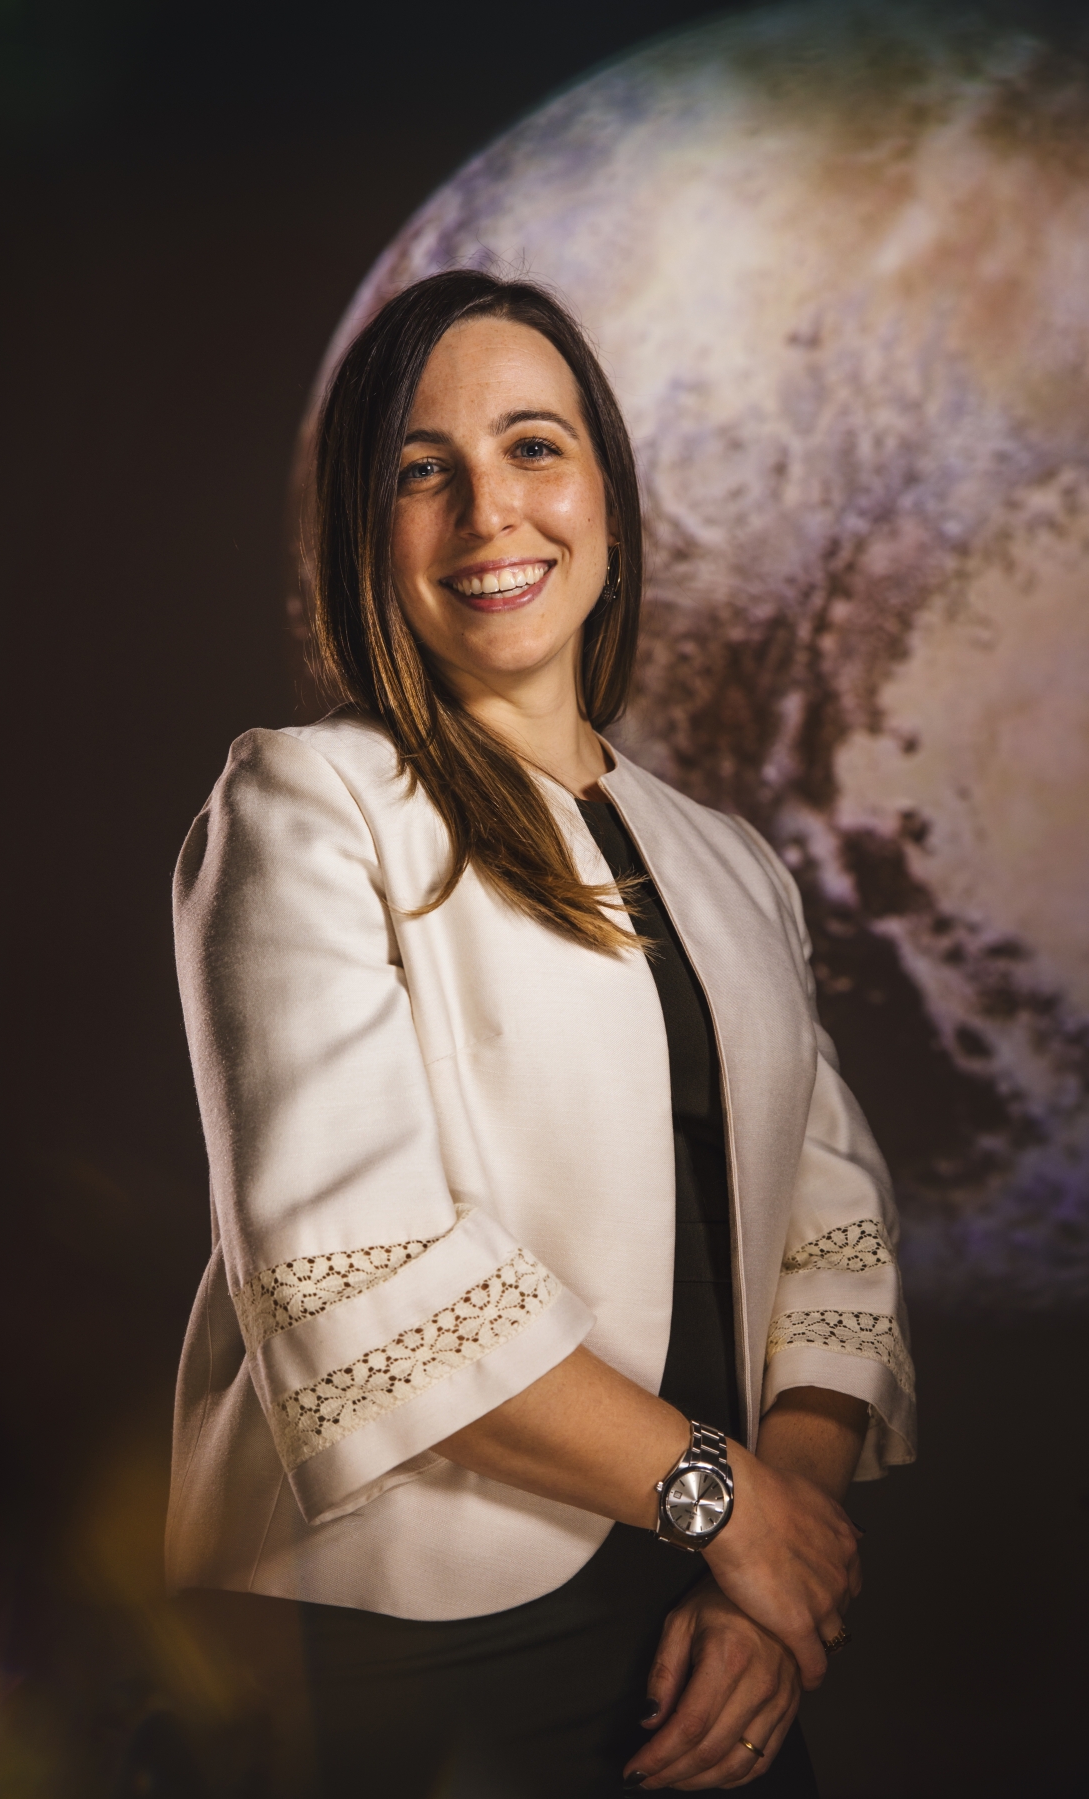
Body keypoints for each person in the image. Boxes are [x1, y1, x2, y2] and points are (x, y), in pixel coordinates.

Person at [167, 270, 916, 1796]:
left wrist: (770, 1564)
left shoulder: (731, 862)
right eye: (420, 470)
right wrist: (725, 1501)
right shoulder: (308, 803)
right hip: (411, 1642)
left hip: (711, 1623)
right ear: (364, 532)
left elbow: (836, 1243)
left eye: (532, 447)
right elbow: (357, 1268)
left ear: (610, 503)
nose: (488, 510)